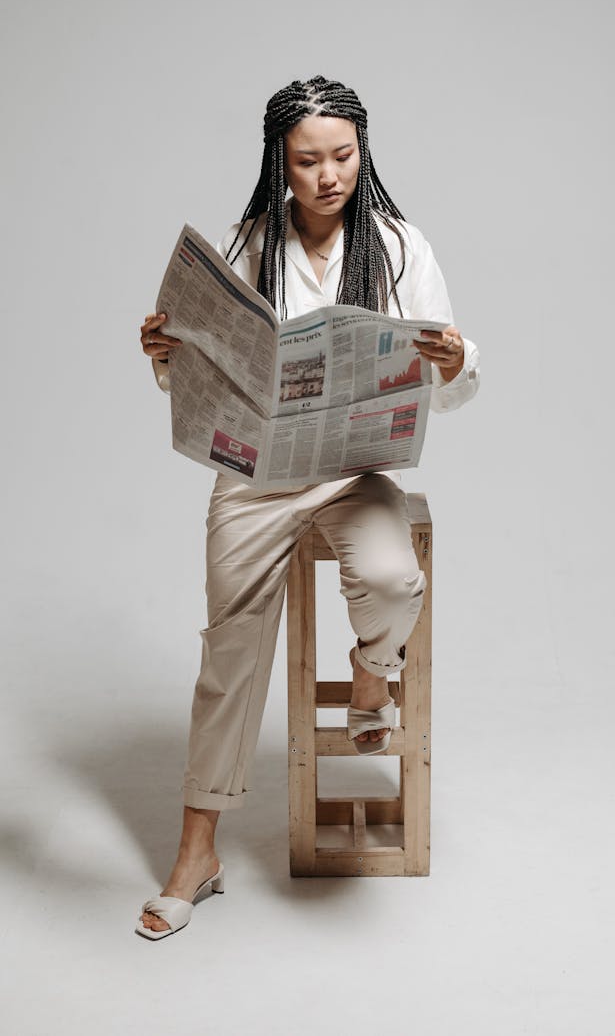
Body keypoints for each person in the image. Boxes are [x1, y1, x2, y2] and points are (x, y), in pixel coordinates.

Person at [136, 75, 480, 938]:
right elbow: (196, 381)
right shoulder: (247, 241)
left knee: (395, 579)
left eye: (343, 156)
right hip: (257, 477)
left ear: (364, 152)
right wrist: (166, 350)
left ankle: (373, 678)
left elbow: (453, 387)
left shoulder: (399, 245)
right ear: (278, 164)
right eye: (307, 161)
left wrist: (451, 356)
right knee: (229, 652)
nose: (328, 176)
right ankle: (197, 850)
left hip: (356, 469)